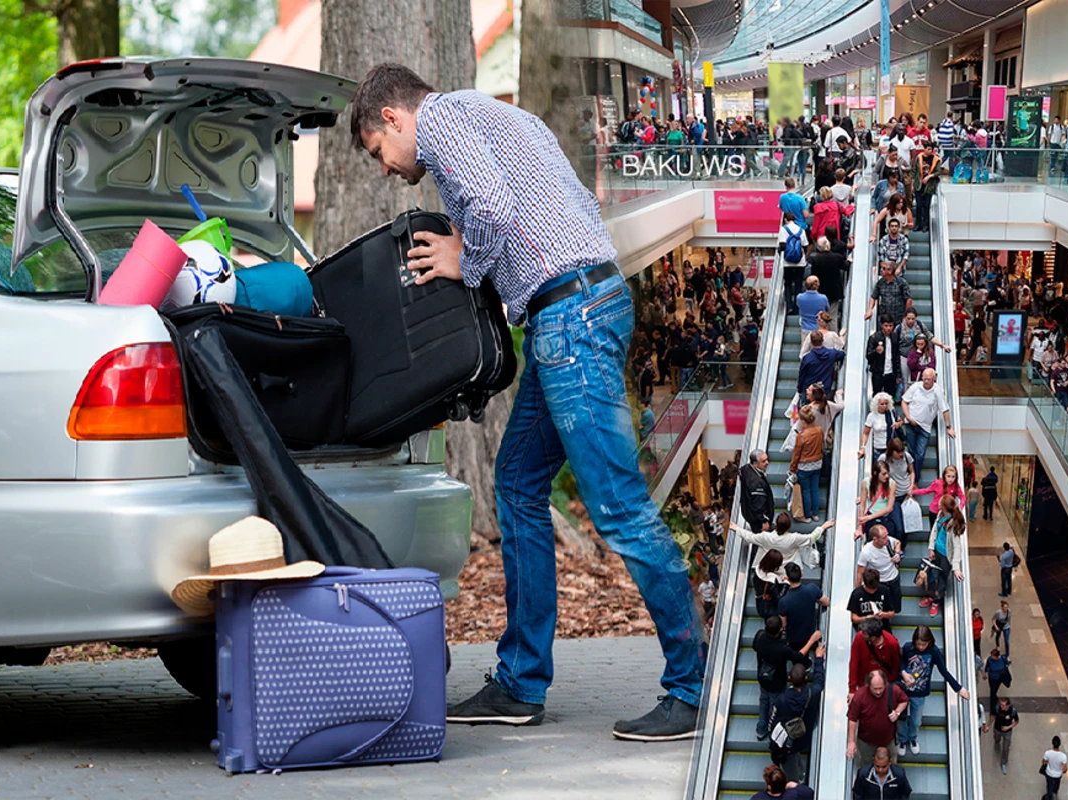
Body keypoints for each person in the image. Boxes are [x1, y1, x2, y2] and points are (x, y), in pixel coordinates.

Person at [353, 64, 701, 738]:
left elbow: (488, 207)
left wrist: (467, 263)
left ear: (394, 118)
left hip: (571, 317)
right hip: (570, 311)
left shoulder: (445, 118)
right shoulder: (500, 118)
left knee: (619, 508)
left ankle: (693, 686)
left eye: (377, 151)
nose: (387, 168)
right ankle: (520, 683)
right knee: (515, 484)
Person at [897, 625, 969, 756]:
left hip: (920, 693)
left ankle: (912, 738)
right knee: (900, 718)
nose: (921, 647)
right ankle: (902, 739)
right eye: (918, 644)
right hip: (903, 690)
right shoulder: (908, 648)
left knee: (916, 720)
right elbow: (901, 663)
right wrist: (903, 673)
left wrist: (958, 688)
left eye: (924, 644)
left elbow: (944, 671)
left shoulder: (934, 652)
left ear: (929, 641)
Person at [752, 618, 821, 741]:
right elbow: (799, 656)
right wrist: (812, 641)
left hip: (762, 677)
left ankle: (761, 729)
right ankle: (772, 730)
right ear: (780, 630)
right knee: (773, 705)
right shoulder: (781, 648)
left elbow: (754, 647)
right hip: (777, 683)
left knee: (763, 700)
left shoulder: (759, 636)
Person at [769, 642, 827, 782]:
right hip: (804, 733)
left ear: (789, 678)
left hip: (789, 740)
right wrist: (819, 659)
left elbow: (773, 722)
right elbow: (819, 680)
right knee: (795, 758)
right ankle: (799, 777)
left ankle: (796, 779)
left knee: (791, 762)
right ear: (806, 678)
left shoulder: (781, 700)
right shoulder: (812, 694)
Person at [731, 514, 833, 591]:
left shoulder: (766, 537)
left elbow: (750, 537)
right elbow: (811, 538)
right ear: (789, 526)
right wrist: (823, 527)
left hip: (772, 568)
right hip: (789, 569)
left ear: (776, 525)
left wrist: (737, 529)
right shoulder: (794, 538)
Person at [901, 369, 956, 486]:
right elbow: (904, 401)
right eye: (924, 379)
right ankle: (911, 476)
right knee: (911, 451)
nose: (926, 381)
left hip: (925, 428)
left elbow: (945, 409)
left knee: (920, 454)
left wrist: (948, 427)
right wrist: (908, 417)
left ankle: (915, 477)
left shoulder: (937, 391)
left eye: (928, 379)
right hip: (910, 424)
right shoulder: (915, 387)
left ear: (934, 379)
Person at [846, 670, 908, 767]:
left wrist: (897, 712)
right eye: (875, 689)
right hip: (866, 742)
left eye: (881, 688)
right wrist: (851, 741)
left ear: (885, 683)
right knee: (866, 764)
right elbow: (852, 719)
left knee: (892, 763)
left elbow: (904, 700)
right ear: (868, 685)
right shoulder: (859, 696)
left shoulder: (893, 690)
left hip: (888, 740)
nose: (878, 692)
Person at [779, 562, 831, 653]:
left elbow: (783, 624)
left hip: (794, 637)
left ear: (787, 578)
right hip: (811, 632)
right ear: (802, 574)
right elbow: (826, 602)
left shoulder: (784, 601)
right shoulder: (812, 589)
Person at [788, 405, 826, 523]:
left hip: (804, 467)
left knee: (806, 490)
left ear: (803, 421)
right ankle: (815, 514)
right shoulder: (819, 430)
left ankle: (807, 515)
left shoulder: (801, 436)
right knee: (815, 489)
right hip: (817, 463)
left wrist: (792, 468)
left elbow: (796, 455)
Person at [878, 438, 915, 549]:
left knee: (907, 523)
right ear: (892, 451)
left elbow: (912, 472)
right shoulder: (883, 459)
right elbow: (877, 477)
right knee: (898, 526)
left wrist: (911, 485)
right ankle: (897, 548)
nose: (901, 454)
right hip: (893, 496)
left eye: (902, 451)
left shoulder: (907, 457)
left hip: (906, 494)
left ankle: (900, 547)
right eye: (898, 452)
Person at [911, 464, 965, 529]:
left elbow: (962, 497)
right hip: (935, 511)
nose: (951, 479)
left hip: (947, 513)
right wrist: (913, 492)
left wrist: (960, 507)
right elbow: (926, 490)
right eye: (949, 476)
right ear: (944, 476)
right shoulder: (937, 483)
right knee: (934, 530)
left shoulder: (956, 486)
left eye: (953, 477)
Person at [849, 566, 897, 631]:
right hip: (864, 629)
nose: (873, 591)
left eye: (875, 588)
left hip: (882, 627)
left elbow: (892, 613)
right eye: (870, 589)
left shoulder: (885, 590)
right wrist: (866, 618)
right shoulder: (856, 594)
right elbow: (853, 618)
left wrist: (884, 615)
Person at [779, 212, 811, 309]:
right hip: (800, 262)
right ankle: (797, 306)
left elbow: (783, 245)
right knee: (798, 284)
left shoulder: (783, 229)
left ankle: (789, 305)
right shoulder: (801, 230)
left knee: (788, 283)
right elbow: (805, 245)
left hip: (787, 262)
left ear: (785, 220)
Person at [867, 315, 902, 399]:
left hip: (891, 373)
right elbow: (868, 356)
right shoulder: (874, 338)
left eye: (891, 326)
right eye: (886, 326)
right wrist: (876, 352)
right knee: (877, 395)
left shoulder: (894, 337)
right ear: (881, 325)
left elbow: (896, 356)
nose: (888, 328)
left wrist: (898, 374)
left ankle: (889, 412)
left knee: (890, 396)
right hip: (878, 373)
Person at [859, 392, 902, 460]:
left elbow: (900, 421)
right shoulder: (872, 416)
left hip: (891, 447)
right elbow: (865, 433)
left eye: (886, 403)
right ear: (877, 404)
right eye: (882, 404)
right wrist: (863, 447)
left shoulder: (892, 412)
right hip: (878, 448)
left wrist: (898, 424)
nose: (884, 406)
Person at [741, 448, 775, 533]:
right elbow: (759, 506)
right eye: (764, 461)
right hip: (757, 521)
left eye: (767, 459)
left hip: (749, 513)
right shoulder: (756, 483)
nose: (767, 463)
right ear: (755, 464)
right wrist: (764, 521)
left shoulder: (746, 469)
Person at [911, 141, 941, 232]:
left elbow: (938, 171)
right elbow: (914, 171)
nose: (930, 151)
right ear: (924, 149)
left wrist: (929, 176)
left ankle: (926, 224)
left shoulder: (936, 159)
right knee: (919, 205)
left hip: (929, 186)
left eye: (931, 149)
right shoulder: (919, 158)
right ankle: (918, 224)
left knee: (927, 205)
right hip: (918, 185)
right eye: (928, 149)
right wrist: (912, 185)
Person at [991, 696, 1019, 775]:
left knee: (1006, 748)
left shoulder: (1012, 711)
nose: (1001, 706)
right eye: (1001, 704)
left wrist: (1008, 727)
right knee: (996, 738)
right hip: (997, 729)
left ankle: (1004, 763)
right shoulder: (997, 708)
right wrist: (988, 725)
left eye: (1003, 705)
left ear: (1008, 705)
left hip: (1007, 732)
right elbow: (993, 716)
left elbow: (1016, 721)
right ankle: (997, 741)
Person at [1042, 734, 1068, 799]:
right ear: (1059, 744)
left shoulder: (1047, 753)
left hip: (1049, 773)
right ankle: (1055, 792)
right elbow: (1065, 769)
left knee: (1049, 785)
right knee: (1057, 784)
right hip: (1058, 774)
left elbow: (1044, 762)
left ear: (1052, 743)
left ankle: (1050, 795)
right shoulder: (1063, 756)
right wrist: (1063, 771)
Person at [983, 646, 1009, 710]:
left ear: (997, 656)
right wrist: (985, 673)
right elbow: (987, 666)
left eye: (993, 656)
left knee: (995, 689)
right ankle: (993, 703)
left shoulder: (1003, 658)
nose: (991, 657)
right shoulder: (989, 659)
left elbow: (1007, 664)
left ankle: (994, 697)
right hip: (992, 678)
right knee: (992, 690)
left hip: (999, 678)